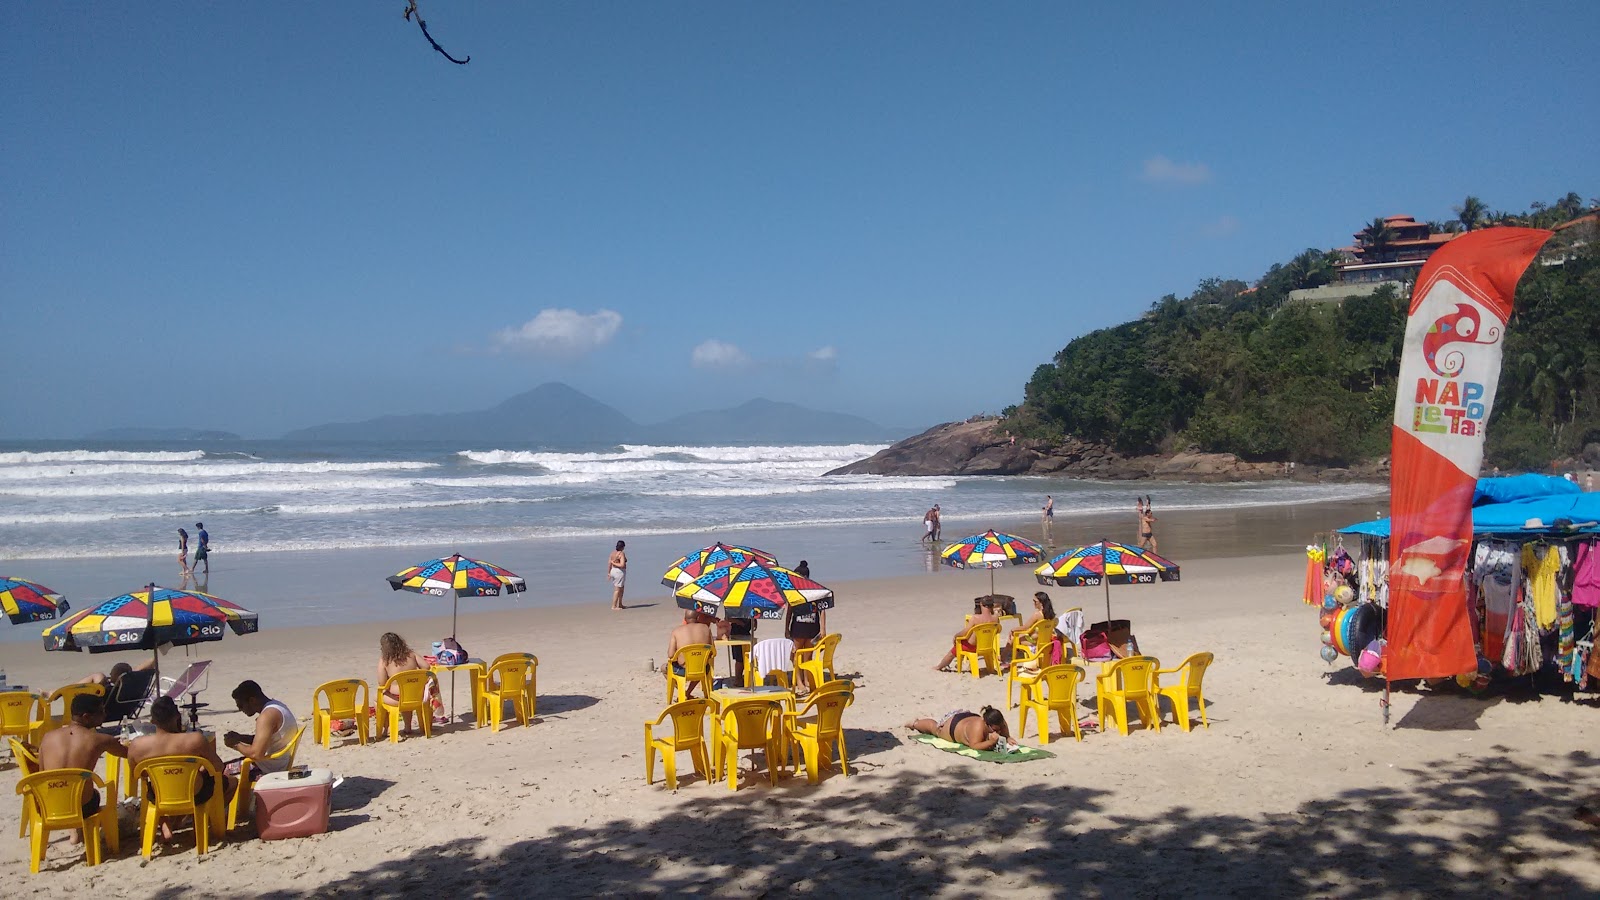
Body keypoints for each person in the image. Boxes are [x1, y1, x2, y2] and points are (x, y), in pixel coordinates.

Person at [128, 697, 234, 841]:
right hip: (194, 793)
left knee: (154, 787)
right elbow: (218, 767)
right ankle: (199, 825)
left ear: (152, 721)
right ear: (177, 717)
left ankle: (167, 827)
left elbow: (138, 774)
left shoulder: (136, 745)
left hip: (160, 795)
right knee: (231, 782)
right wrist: (199, 770)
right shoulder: (194, 739)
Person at [38, 694, 127, 839]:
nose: (105, 714)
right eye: (101, 712)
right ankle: (77, 827)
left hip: (50, 805)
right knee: (94, 794)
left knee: (71, 790)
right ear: (86, 717)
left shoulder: (48, 737)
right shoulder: (99, 739)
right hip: (83, 807)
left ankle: (74, 830)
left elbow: (41, 773)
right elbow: (129, 754)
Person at [222, 680, 299, 777]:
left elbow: (256, 754)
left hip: (269, 769)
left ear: (252, 700)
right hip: (280, 762)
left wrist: (235, 744)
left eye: (241, 705)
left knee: (218, 774)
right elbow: (267, 739)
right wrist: (240, 737)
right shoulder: (277, 706)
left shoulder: (267, 716)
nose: (240, 709)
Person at [376, 632, 445, 733]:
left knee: (376, 698)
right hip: (417, 696)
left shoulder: (385, 660)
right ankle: (407, 727)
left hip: (399, 699)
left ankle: (385, 728)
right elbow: (426, 667)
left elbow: (382, 683)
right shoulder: (411, 654)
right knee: (407, 693)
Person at [905, 705, 1011, 751]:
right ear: (987, 724)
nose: (999, 731)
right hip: (952, 725)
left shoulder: (999, 722)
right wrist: (991, 742)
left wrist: (1008, 737)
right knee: (936, 730)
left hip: (966, 716)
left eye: (1000, 728)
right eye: (995, 730)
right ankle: (915, 723)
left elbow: (1003, 727)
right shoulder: (977, 728)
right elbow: (974, 746)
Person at [935, 597, 998, 672]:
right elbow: (997, 631)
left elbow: (965, 632)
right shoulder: (996, 618)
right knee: (974, 634)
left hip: (971, 647)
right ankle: (959, 663)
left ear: (981, 604)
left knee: (954, 650)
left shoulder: (975, 618)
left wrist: (955, 636)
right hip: (987, 646)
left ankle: (939, 667)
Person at [665, 610, 715, 697]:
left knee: (664, 668)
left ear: (685, 619)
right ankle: (687, 693)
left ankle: (683, 692)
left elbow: (670, 655)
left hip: (684, 670)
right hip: (702, 669)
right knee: (699, 664)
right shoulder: (706, 628)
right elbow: (712, 650)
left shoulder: (676, 631)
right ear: (698, 618)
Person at [607, 540, 628, 610]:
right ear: (622, 547)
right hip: (619, 572)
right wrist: (614, 563)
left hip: (613, 571)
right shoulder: (621, 553)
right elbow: (622, 564)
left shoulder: (612, 553)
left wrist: (609, 572)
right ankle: (614, 606)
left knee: (621, 588)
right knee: (617, 589)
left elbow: (609, 563)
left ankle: (620, 604)